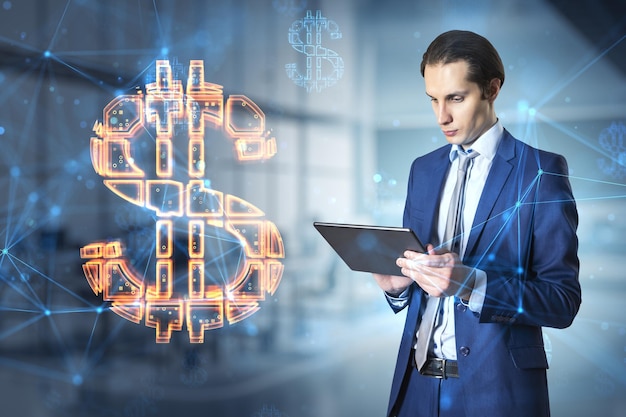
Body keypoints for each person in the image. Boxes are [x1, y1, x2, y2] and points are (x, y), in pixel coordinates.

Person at [372, 30, 581, 417]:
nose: (442, 116)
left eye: (455, 98)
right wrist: (398, 286)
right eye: (433, 99)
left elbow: (562, 302)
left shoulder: (541, 172)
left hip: (498, 392)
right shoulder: (423, 170)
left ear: (492, 89)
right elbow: (421, 274)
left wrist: (471, 283)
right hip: (415, 389)